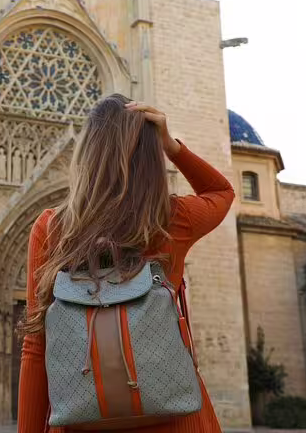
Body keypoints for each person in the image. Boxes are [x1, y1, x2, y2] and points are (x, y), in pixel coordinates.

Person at [18, 94, 234, 433]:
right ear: (150, 157)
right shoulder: (174, 220)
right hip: (177, 419)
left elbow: (35, 347)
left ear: (87, 152)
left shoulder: (51, 227)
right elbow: (221, 191)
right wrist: (171, 145)